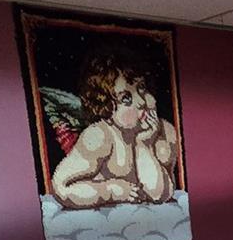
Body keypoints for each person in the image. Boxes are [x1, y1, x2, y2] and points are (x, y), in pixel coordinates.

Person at [50, 55, 178, 208]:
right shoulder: (100, 136)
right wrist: (109, 191)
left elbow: (159, 195)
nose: (142, 102)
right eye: (126, 98)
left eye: (142, 88)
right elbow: (61, 186)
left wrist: (143, 144)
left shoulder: (164, 131)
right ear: (107, 110)